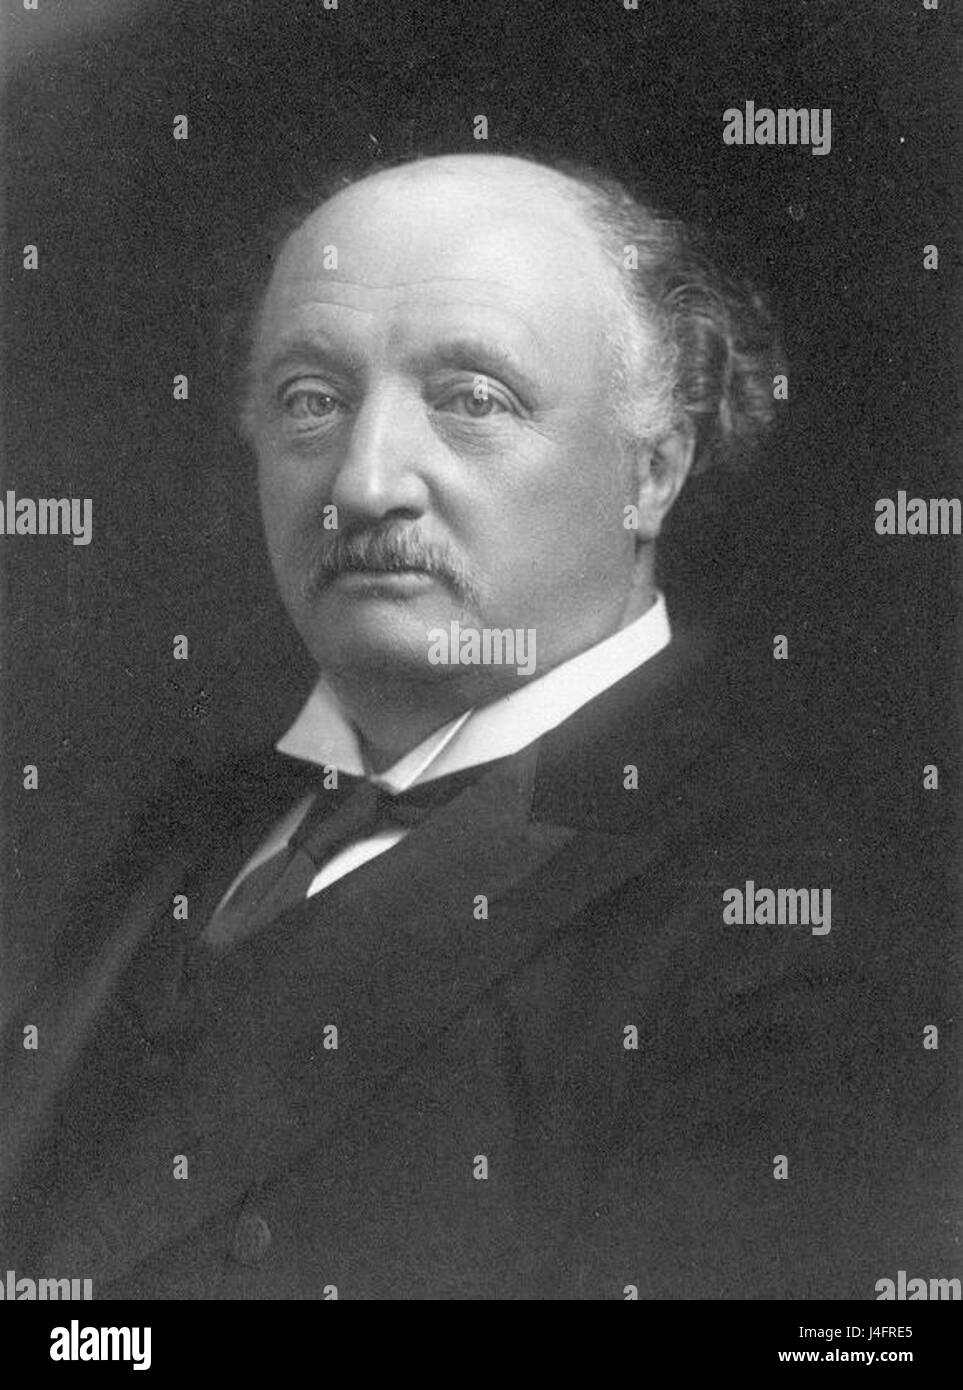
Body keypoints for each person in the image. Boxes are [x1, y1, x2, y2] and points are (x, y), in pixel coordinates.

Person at [1, 153, 951, 1300]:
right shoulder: (181, 833)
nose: (364, 483)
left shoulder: (803, 920)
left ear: (653, 469)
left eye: (472, 400)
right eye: (311, 398)